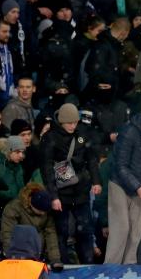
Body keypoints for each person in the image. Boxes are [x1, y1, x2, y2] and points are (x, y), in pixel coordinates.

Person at [40, 103, 101, 264]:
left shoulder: (83, 133)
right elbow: (46, 169)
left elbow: (91, 160)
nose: (72, 126)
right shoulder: (50, 138)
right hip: (61, 192)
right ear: (61, 122)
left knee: (86, 230)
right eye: (69, 123)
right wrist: (53, 197)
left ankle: (87, 264)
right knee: (62, 231)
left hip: (81, 190)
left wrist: (96, 181)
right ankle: (64, 265)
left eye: (75, 122)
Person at [105, 103, 141, 264]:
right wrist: (137, 186)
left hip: (138, 185)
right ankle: (111, 267)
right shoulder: (129, 132)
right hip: (119, 184)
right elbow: (120, 165)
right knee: (121, 228)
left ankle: (129, 264)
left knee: (136, 230)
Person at [0, 182, 62, 270]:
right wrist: (12, 257)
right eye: (40, 211)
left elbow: (50, 234)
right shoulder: (13, 208)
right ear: (32, 204)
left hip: (39, 256)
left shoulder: (45, 208)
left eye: (44, 212)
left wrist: (55, 259)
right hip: (19, 257)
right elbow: (7, 234)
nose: (43, 214)